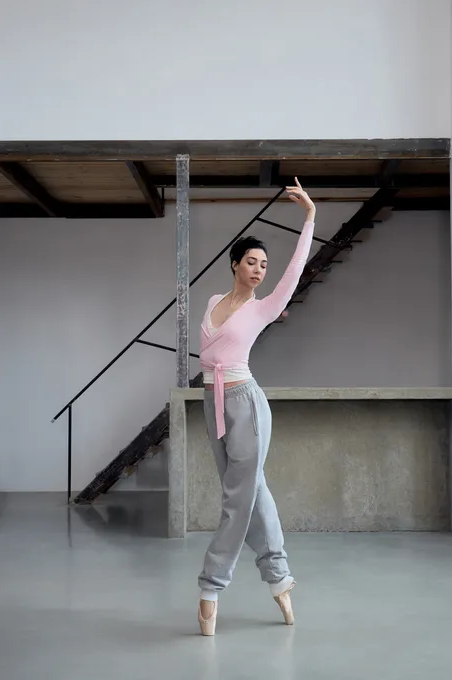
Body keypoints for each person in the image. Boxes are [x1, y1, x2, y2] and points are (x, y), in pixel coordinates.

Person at [197, 178, 316, 636]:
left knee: (236, 500)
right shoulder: (213, 301)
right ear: (235, 263)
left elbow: (295, 270)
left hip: (245, 405)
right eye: (252, 261)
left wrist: (310, 217)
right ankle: (280, 577)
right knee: (252, 493)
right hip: (213, 402)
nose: (259, 270)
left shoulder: (264, 308)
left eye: (264, 265)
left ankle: (210, 587)